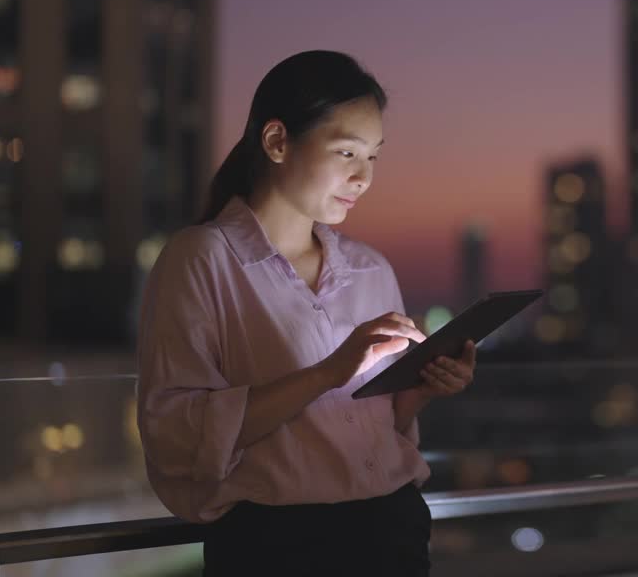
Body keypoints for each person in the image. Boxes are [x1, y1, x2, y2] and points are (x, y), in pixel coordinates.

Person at [136, 50, 475, 575]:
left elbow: (382, 425)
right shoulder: (202, 259)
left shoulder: (371, 270)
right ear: (276, 142)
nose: (364, 178)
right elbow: (174, 431)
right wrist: (328, 372)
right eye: (346, 153)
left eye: (373, 157)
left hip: (391, 527)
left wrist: (423, 387)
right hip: (276, 544)